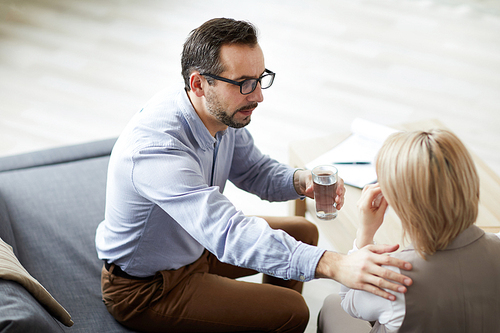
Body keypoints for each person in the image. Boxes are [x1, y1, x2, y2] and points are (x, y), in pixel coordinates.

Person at [95, 18, 412, 333]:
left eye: (261, 79)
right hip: (148, 288)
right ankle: (274, 319)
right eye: (245, 83)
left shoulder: (217, 111)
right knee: (293, 312)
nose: (258, 96)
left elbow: (253, 170)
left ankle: (260, 320)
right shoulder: (157, 152)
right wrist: (334, 264)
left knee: (303, 231)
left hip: (192, 247)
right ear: (198, 84)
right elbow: (229, 233)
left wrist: (300, 181)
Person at [318, 129, 500, 333]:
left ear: (402, 203)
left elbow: (349, 301)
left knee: (331, 305)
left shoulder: (394, 278)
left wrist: (365, 233)